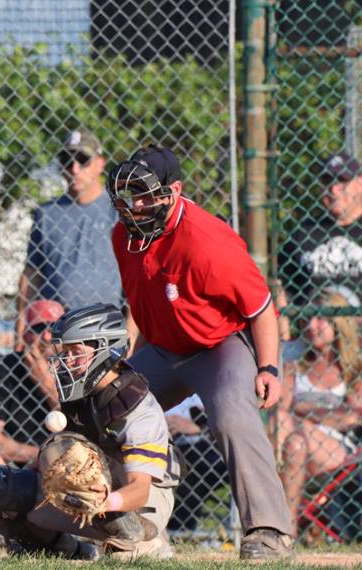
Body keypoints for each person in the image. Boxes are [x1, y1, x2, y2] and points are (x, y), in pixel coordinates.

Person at [106, 145, 293, 559]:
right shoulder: (125, 236)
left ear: (174, 191)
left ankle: (269, 531)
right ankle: (128, 528)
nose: (133, 205)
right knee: (109, 410)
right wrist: (130, 367)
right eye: (127, 194)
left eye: (144, 193)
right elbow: (143, 306)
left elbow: (262, 310)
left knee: (230, 413)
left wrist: (268, 368)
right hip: (164, 349)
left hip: (219, 346)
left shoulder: (207, 241)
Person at [0, 304, 179, 559]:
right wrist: (16, 494)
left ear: (106, 350)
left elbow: (140, 490)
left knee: (67, 459)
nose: (66, 361)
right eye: (64, 352)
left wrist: (105, 501)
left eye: (75, 352)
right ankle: (67, 550)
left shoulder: (136, 406)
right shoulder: (81, 395)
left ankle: (144, 545)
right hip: (96, 492)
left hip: (140, 506)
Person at [15, 129, 121, 348]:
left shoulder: (119, 212)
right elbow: (31, 273)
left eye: (83, 160)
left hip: (106, 330)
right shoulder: (47, 214)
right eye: (66, 160)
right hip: (55, 330)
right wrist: (20, 330)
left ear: (100, 163)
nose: (74, 168)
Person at [270, 287, 362, 534]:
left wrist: (301, 409)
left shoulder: (353, 366)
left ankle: (270, 520)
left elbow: (353, 417)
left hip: (339, 452)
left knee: (284, 424)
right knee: (295, 444)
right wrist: (330, 413)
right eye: (308, 317)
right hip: (293, 444)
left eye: (320, 318)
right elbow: (281, 406)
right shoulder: (297, 361)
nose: (311, 325)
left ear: (338, 324)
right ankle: (285, 534)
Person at [0, 300, 63, 479]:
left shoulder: (77, 366)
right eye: (39, 328)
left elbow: (83, 426)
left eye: (54, 328)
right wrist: (41, 455)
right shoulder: (7, 366)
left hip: (69, 460)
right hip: (19, 465)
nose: (47, 337)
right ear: (25, 335)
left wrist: (46, 383)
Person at [279, 153, 362, 307]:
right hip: (313, 325)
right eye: (327, 181)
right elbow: (281, 287)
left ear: (360, 182)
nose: (333, 189)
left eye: (342, 181)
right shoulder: (304, 232)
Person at [164, 395, 228, 532]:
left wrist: (198, 428)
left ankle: (181, 530)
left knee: (194, 469)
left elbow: (227, 421)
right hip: (164, 443)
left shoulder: (205, 383)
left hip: (204, 446)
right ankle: (177, 530)